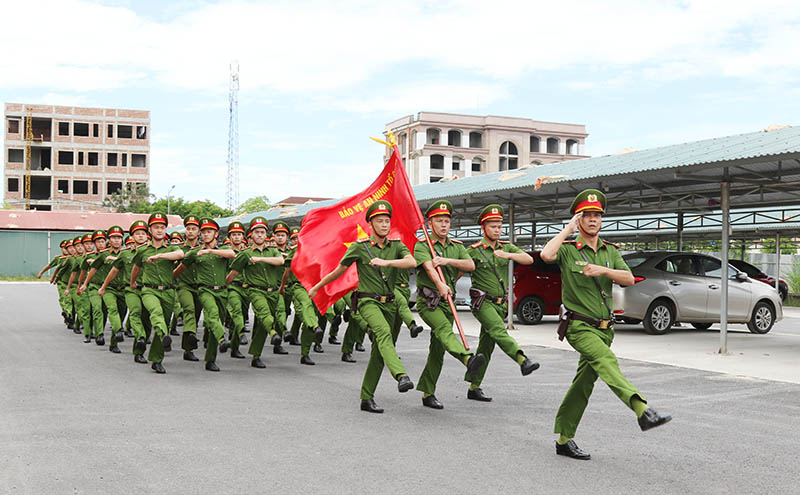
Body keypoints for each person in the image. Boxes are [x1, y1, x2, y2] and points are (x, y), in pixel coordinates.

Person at [541, 189, 672, 460]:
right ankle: (641, 410)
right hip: (579, 326)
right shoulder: (567, 250)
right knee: (607, 362)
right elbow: (545, 255)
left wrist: (603, 271)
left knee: (583, 384)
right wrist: (567, 229)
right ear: (578, 220)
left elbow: (628, 278)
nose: (592, 220)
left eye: (597, 215)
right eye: (586, 216)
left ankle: (564, 440)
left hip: (606, 328)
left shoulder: (609, 251)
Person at [309, 200, 416, 413]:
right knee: (383, 334)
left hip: (390, 304)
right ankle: (401, 376)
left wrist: (387, 263)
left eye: (387, 221)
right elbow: (339, 270)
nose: (384, 225)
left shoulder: (396, 246)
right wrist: (318, 286)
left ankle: (367, 397)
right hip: (368, 301)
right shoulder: (360, 247)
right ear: (370, 224)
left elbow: (411, 262)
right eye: (380, 221)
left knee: (379, 353)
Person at [464, 204, 539, 402]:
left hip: (500, 304)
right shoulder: (473, 251)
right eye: (493, 226)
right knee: (498, 331)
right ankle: (522, 360)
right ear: (483, 228)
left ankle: (474, 386)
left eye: (499, 226)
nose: (497, 230)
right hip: (482, 303)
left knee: (486, 346)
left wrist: (508, 255)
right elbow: (459, 268)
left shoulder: (506, 247)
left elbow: (527, 259)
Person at [414, 200, 485, 410]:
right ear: (430, 223)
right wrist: (440, 284)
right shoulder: (423, 245)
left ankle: (428, 392)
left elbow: (470, 265)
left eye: (446, 221)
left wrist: (447, 261)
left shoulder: (456, 247)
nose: (444, 225)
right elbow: (428, 268)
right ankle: (467, 358)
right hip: (429, 302)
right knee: (444, 331)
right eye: (439, 221)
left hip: (447, 303)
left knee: (437, 350)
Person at [171, 218, 235, 372]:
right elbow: (179, 270)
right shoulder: (194, 253)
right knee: (211, 314)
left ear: (216, 234)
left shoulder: (223, 250)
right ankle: (222, 338)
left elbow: (232, 253)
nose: (206, 234)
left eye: (209, 232)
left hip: (221, 291)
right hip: (204, 290)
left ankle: (210, 359)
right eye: (204, 232)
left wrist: (210, 251)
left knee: (215, 323)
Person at [226, 217, 286, 368]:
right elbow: (233, 273)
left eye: (262, 232)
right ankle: (273, 333)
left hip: (272, 292)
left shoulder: (273, 251)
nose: (259, 235)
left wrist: (259, 259)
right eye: (256, 232)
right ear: (250, 235)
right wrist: (223, 288)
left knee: (260, 326)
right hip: (255, 291)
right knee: (265, 314)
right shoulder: (245, 254)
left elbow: (281, 262)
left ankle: (255, 355)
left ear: (266, 235)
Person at [130, 213, 182, 374]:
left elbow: (181, 255)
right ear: (149, 230)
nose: (159, 230)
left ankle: (156, 360)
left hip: (168, 291)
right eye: (156, 227)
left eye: (162, 227)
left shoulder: (171, 248)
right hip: (149, 290)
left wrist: (159, 255)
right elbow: (136, 268)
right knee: (155, 312)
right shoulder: (143, 250)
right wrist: (133, 282)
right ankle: (162, 336)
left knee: (162, 324)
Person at [100, 221, 151, 364]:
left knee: (145, 320)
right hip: (131, 290)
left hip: (148, 290)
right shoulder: (125, 254)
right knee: (135, 312)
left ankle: (137, 348)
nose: (140, 236)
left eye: (143, 233)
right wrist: (104, 286)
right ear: (132, 237)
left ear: (147, 235)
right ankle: (139, 338)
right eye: (137, 234)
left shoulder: (152, 252)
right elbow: (114, 271)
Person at [279, 228, 323, 365]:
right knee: (305, 306)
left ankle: (305, 353)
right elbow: (287, 271)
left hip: (314, 287)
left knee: (308, 317)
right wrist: (282, 287)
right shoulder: (295, 251)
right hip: (298, 286)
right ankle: (315, 326)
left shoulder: (319, 251)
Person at [82, 226, 128, 353]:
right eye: (113, 238)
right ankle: (115, 330)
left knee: (122, 313)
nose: (117, 240)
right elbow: (93, 270)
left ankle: (114, 343)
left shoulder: (127, 253)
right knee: (111, 310)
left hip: (123, 289)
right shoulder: (103, 255)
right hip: (108, 288)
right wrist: (85, 284)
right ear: (109, 240)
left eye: (119, 237)